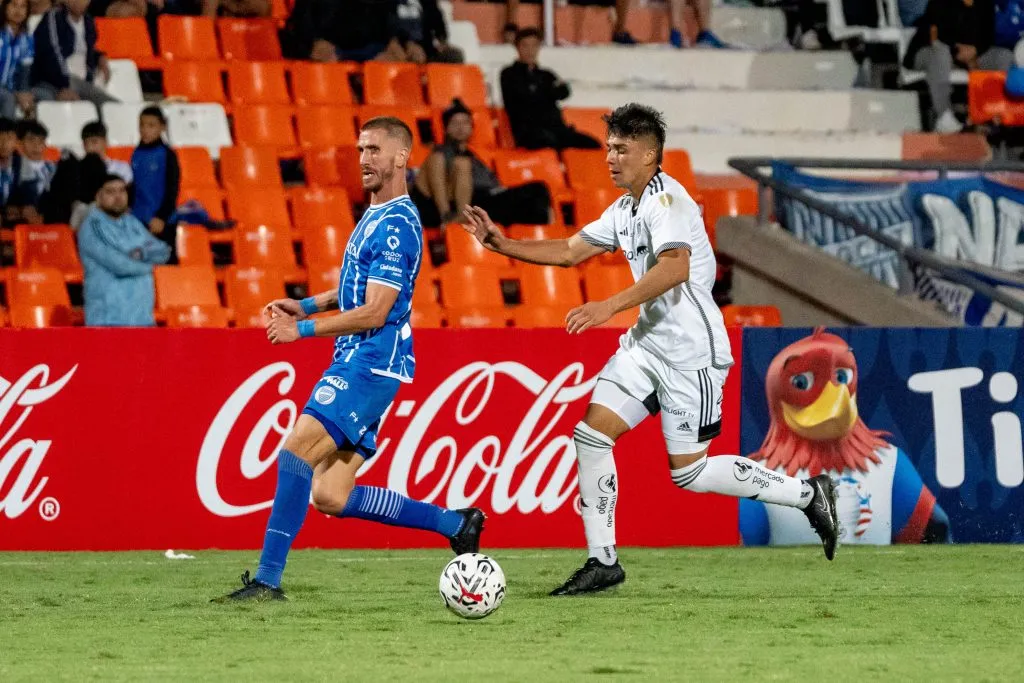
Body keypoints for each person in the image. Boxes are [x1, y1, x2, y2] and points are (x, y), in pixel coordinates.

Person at [461, 103, 839, 596]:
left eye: (621, 149)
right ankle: (603, 561)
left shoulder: (668, 200)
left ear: (649, 154)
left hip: (691, 354)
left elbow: (675, 268)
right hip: (646, 345)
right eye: (609, 148)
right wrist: (502, 244)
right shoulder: (625, 209)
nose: (610, 158)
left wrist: (609, 305)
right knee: (591, 436)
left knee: (691, 473)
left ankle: (807, 493)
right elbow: (571, 251)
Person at [214, 116, 485, 602]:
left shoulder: (397, 225)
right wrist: (308, 305)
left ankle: (267, 581)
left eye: (374, 150)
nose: (364, 159)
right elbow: (357, 288)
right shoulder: (376, 214)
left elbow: (376, 311)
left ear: (401, 157)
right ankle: (454, 523)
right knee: (330, 495)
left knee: (295, 452)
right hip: (364, 360)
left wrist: (301, 331)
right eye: (361, 149)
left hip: (369, 362)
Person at [411, 98, 551, 228]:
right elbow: (437, 187)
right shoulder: (440, 154)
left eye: (465, 123)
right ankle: (459, 221)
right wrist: (446, 215)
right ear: (446, 128)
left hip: (488, 199)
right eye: (455, 123)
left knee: (538, 192)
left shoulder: (473, 156)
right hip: (469, 205)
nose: (460, 127)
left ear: (472, 127)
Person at [904, 0, 1012, 133]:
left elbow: (987, 36)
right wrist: (958, 51)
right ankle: (944, 116)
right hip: (930, 51)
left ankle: (994, 113)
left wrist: (975, 51)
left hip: (969, 54)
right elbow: (936, 35)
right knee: (941, 53)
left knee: (1004, 56)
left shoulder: (985, 3)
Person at [77, 173, 171, 326]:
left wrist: (139, 253)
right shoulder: (92, 227)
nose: (118, 196)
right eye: (110, 192)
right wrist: (150, 266)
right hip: (108, 321)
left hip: (142, 319)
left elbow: (162, 252)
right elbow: (119, 265)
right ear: (98, 197)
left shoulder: (132, 223)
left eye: (122, 191)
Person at [500, 27, 601, 151]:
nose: (530, 50)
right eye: (525, 46)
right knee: (548, 141)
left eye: (534, 45)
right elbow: (519, 102)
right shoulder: (509, 74)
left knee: (592, 144)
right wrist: (547, 93)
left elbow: (564, 92)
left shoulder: (546, 75)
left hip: (556, 129)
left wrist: (541, 92)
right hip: (529, 131)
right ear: (517, 47)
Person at [30, 0, 117, 109]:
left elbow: (87, 50)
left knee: (109, 106)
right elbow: (51, 55)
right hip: (59, 81)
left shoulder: (88, 21)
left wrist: (100, 57)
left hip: (84, 81)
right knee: (110, 106)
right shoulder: (53, 18)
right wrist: (64, 85)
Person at [130, 106, 179, 247]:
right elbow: (134, 187)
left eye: (151, 125)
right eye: (142, 125)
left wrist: (161, 217)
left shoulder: (167, 154)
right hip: (138, 220)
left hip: (161, 223)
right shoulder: (136, 154)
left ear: (162, 127)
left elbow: (172, 189)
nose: (145, 130)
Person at [0, 0, 35, 120]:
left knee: (39, 96)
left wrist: (23, 92)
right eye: (14, 5)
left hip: (11, 88)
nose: (18, 10)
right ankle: (7, 131)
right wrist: (15, 93)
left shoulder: (27, 39)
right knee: (8, 98)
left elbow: (25, 72)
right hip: (5, 90)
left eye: (23, 6)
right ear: (5, 7)